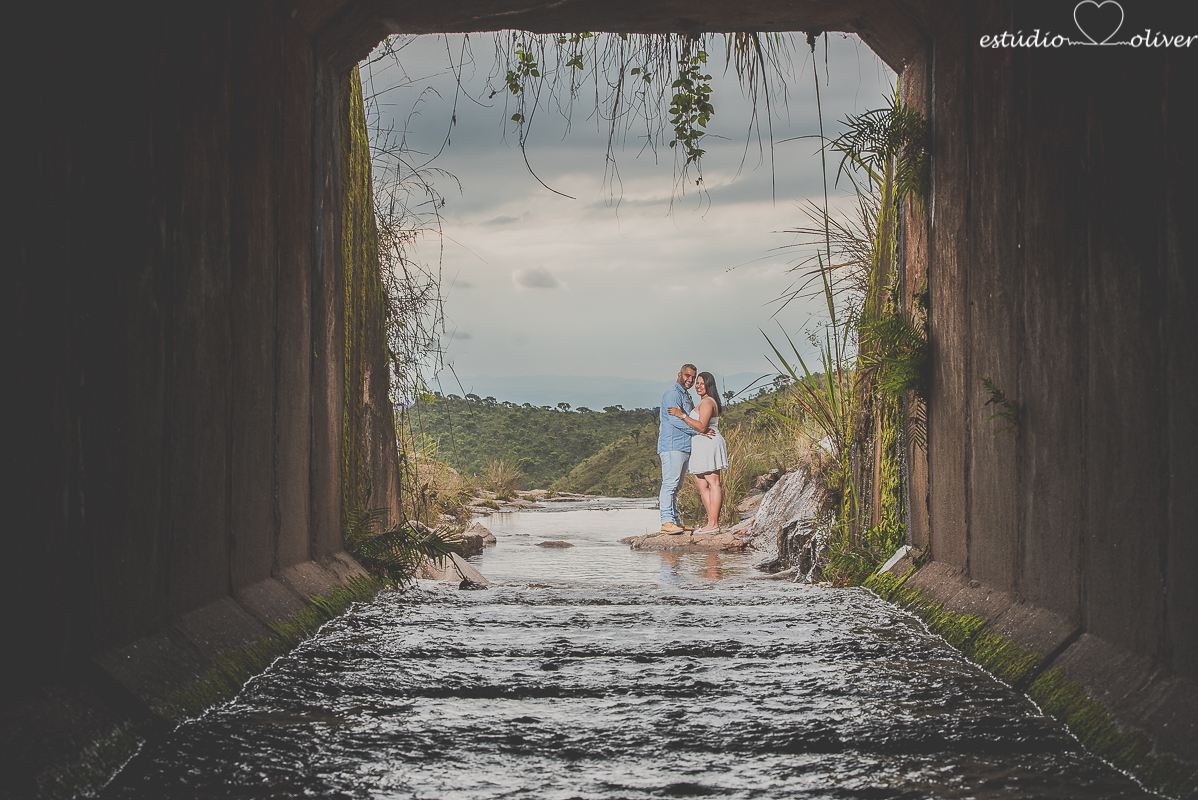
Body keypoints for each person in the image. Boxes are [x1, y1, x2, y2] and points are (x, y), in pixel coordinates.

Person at [668, 371, 728, 533]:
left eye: (702, 383)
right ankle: (711, 522)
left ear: (709, 385)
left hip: (709, 443)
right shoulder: (704, 401)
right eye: (698, 383)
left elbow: (702, 426)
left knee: (712, 482)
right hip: (700, 444)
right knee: (701, 483)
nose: (699, 386)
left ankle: (714, 524)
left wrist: (682, 416)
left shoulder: (708, 402)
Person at [657, 364, 698, 534]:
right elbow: (675, 420)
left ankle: (675, 520)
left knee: (676, 486)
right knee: (670, 484)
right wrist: (698, 430)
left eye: (693, 377)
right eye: (687, 376)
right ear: (679, 374)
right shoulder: (673, 393)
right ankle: (666, 521)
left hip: (683, 446)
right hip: (673, 445)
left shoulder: (685, 395)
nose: (690, 380)